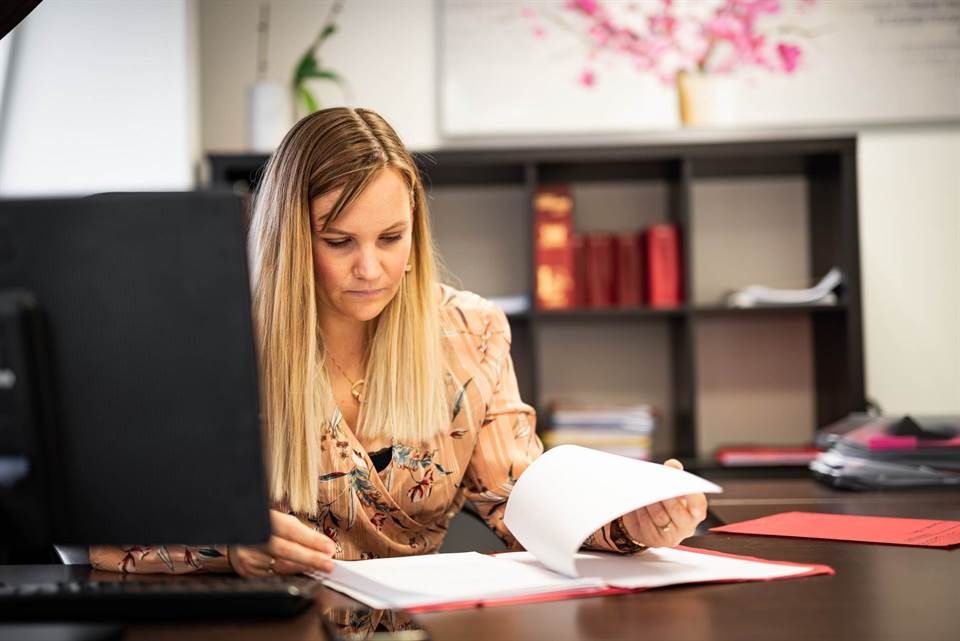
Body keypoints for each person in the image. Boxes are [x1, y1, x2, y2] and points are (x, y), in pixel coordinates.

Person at [89, 107, 707, 577]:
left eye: (392, 238)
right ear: (290, 241)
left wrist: (628, 521)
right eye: (339, 242)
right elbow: (101, 532)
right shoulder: (210, 341)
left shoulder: (469, 332)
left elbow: (523, 506)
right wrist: (225, 542)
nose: (372, 269)